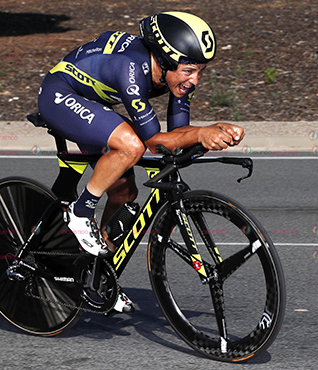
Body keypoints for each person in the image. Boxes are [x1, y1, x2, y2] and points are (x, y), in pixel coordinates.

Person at [38, 11, 245, 313]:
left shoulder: (175, 75)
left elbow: (177, 134)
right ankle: (79, 212)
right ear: (165, 60)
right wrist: (201, 134)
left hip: (92, 103)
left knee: (124, 195)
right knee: (131, 146)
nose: (195, 79)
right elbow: (153, 141)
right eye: (189, 70)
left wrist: (217, 128)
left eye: (200, 71)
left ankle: (97, 277)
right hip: (59, 94)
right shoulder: (130, 68)